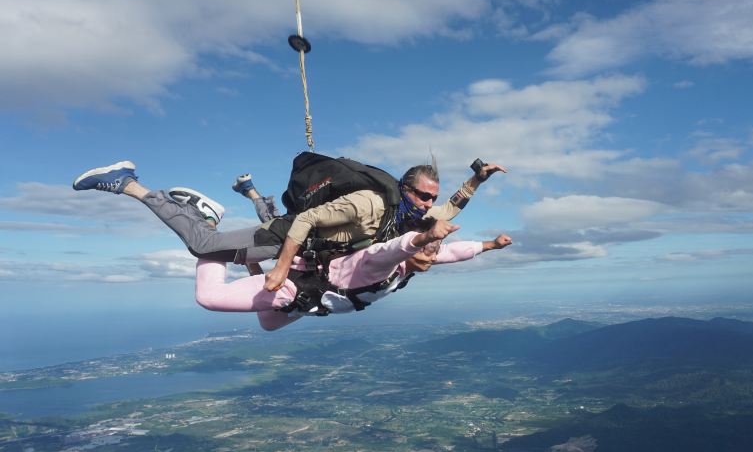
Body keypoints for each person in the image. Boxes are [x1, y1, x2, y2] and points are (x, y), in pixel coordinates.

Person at [72, 156, 507, 291]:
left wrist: (477, 180)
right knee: (203, 246)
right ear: (405, 188)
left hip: (307, 247)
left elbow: (450, 210)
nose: (429, 203)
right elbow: (310, 219)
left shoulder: (407, 214)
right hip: (286, 237)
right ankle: (130, 184)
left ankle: (214, 205)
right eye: (424, 195)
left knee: (217, 244)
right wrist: (280, 267)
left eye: (432, 197)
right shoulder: (371, 203)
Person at [194, 217, 513, 331]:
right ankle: (209, 235)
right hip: (296, 290)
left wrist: (489, 245)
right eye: (428, 249)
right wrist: (421, 238)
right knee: (209, 297)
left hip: (309, 302)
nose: (433, 256)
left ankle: (253, 268)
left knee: (268, 323)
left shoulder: (412, 263)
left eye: (434, 250)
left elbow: (451, 253)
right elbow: (393, 248)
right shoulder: (383, 260)